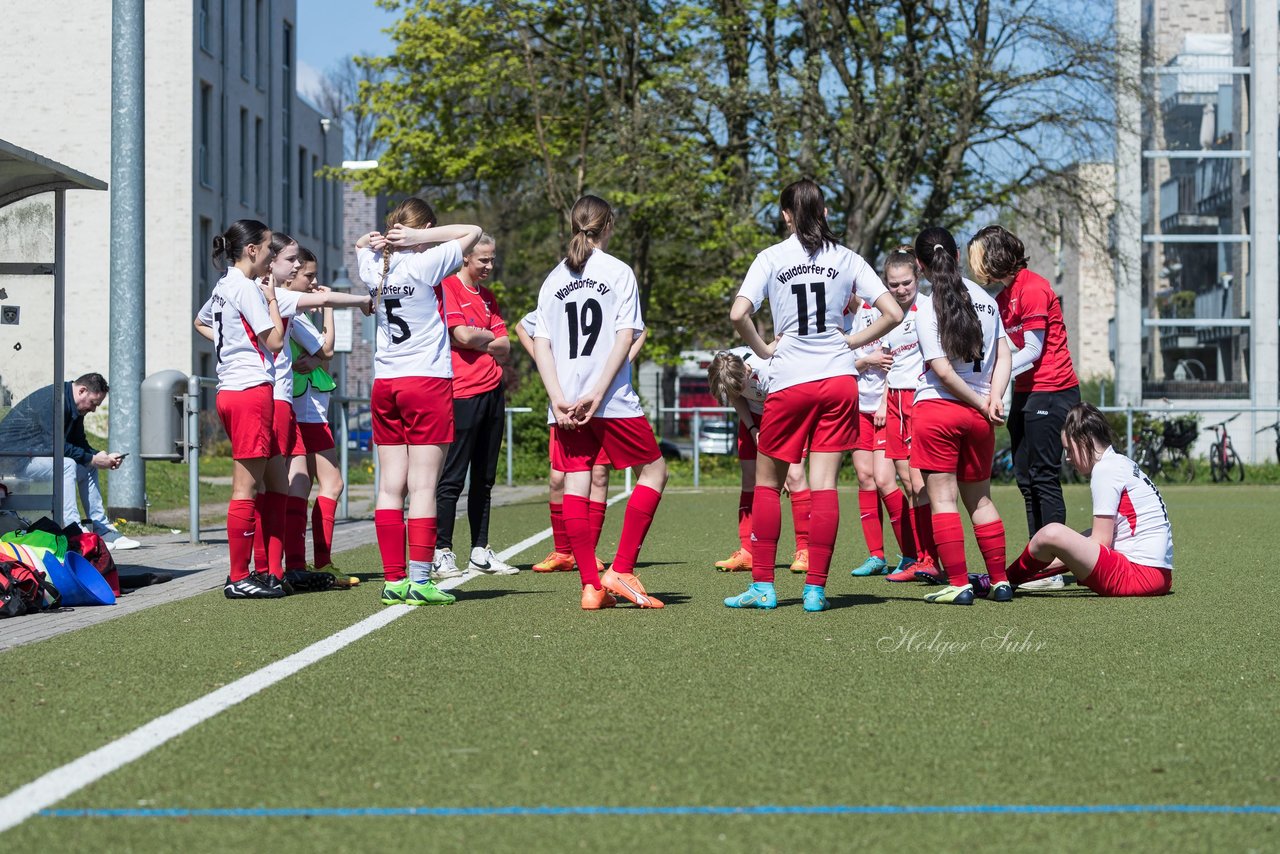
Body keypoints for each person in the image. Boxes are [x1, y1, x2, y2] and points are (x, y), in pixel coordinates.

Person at [725, 179, 903, 612]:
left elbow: (738, 313)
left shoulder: (771, 257)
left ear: (786, 215)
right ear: (823, 212)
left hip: (789, 381)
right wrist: (849, 342)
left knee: (768, 484)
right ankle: (816, 590)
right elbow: (894, 313)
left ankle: (764, 587)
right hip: (839, 381)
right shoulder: (847, 258)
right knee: (824, 485)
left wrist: (765, 348)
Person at [532, 194, 668, 610]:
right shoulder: (618, 272)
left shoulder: (553, 279)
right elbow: (626, 337)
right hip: (609, 400)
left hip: (567, 402)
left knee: (576, 484)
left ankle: (591, 586)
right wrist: (598, 392)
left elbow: (541, 341)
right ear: (607, 226)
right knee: (656, 472)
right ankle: (621, 569)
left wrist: (557, 399)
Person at [355, 198, 482, 606]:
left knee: (391, 487)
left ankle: (394, 580)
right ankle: (421, 579)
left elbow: (360, 245)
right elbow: (473, 233)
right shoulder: (425, 263)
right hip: (425, 381)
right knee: (424, 485)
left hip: (386, 383)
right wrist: (422, 237)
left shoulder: (376, 266)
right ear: (422, 227)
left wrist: (382, 240)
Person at [968, 224, 1080, 590]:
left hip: (1054, 390)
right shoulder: (1002, 298)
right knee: (1024, 477)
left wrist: (991, 380)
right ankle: (1039, 559)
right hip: (1029, 392)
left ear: (995, 256)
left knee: (1044, 477)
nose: (975, 264)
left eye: (979, 255)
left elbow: (1031, 351)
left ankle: (1057, 565)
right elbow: (1000, 351)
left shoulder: (1032, 287)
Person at [909, 226, 1012, 605]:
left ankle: (958, 584)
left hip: (939, 409)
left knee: (943, 501)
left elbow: (942, 369)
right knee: (981, 500)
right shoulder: (987, 298)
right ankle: (1000, 582)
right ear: (956, 256)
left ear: (920, 265)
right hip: (982, 415)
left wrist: (975, 400)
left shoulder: (926, 304)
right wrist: (992, 398)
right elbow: (1005, 355)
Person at [980, 402, 1173, 597]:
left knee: (1050, 533)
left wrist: (1055, 557)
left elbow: (1101, 543)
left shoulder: (1105, 469)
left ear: (1085, 440)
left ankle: (1002, 580)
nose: (1068, 458)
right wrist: (1054, 560)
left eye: (1069, 449)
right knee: (1073, 537)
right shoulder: (1122, 462)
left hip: (1138, 575)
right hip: (1159, 577)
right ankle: (1006, 578)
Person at [515, 312, 646, 574]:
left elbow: (639, 330)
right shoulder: (556, 291)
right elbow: (521, 327)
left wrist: (622, 365)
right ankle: (563, 552)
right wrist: (546, 364)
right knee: (558, 478)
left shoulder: (610, 289)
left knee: (598, 475)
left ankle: (589, 553)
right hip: (565, 400)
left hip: (605, 402)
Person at [432, 234, 519, 579]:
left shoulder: (488, 297)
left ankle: (480, 551)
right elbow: (462, 336)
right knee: (452, 477)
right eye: (483, 259)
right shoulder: (448, 287)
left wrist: (477, 335)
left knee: (484, 478)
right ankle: (442, 551)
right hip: (462, 393)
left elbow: (506, 345)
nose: (489, 266)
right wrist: (483, 337)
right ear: (466, 257)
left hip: (493, 392)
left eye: (492, 259)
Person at [284, 247, 358, 588]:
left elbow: (322, 358)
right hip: (303, 410)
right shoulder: (291, 308)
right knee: (309, 484)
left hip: (311, 407)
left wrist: (315, 360)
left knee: (320, 484)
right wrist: (328, 308)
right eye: (308, 275)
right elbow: (327, 350)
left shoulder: (296, 311)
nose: (314, 282)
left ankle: (309, 561)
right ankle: (306, 562)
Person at [0, 373, 138, 550]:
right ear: (82, 391)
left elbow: (78, 443)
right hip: (13, 461)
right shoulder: (53, 401)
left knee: (88, 466)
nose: (94, 409)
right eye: (94, 403)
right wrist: (92, 458)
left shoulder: (73, 405)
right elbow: (55, 446)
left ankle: (101, 528)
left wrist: (101, 457)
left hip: (31, 457)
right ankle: (73, 529)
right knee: (67, 464)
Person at [705, 349, 812, 574]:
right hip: (753, 418)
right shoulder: (728, 366)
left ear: (747, 372)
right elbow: (736, 398)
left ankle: (805, 550)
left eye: (739, 387)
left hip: (789, 413)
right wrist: (753, 428)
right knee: (749, 478)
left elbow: (789, 406)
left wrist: (777, 466)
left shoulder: (769, 370)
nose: (736, 391)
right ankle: (748, 551)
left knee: (794, 476)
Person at [877, 248, 941, 583]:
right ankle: (920, 557)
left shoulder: (930, 309)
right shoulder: (886, 314)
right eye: (893, 284)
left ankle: (932, 558)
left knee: (921, 483)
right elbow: (889, 364)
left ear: (917, 277)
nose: (901, 289)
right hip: (894, 403)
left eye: (906, 283)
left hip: (919, 400)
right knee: (908, 483)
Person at [848, 295, 915, 577]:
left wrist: (885, 402)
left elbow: (895, 361)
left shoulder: (888, 310)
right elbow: (843, 364)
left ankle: (912, 554)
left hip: (884, 406)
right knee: (865, 478)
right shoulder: (843, 316)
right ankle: (876, 556)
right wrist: (865, 361)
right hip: (856, 407)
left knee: (886, 480)